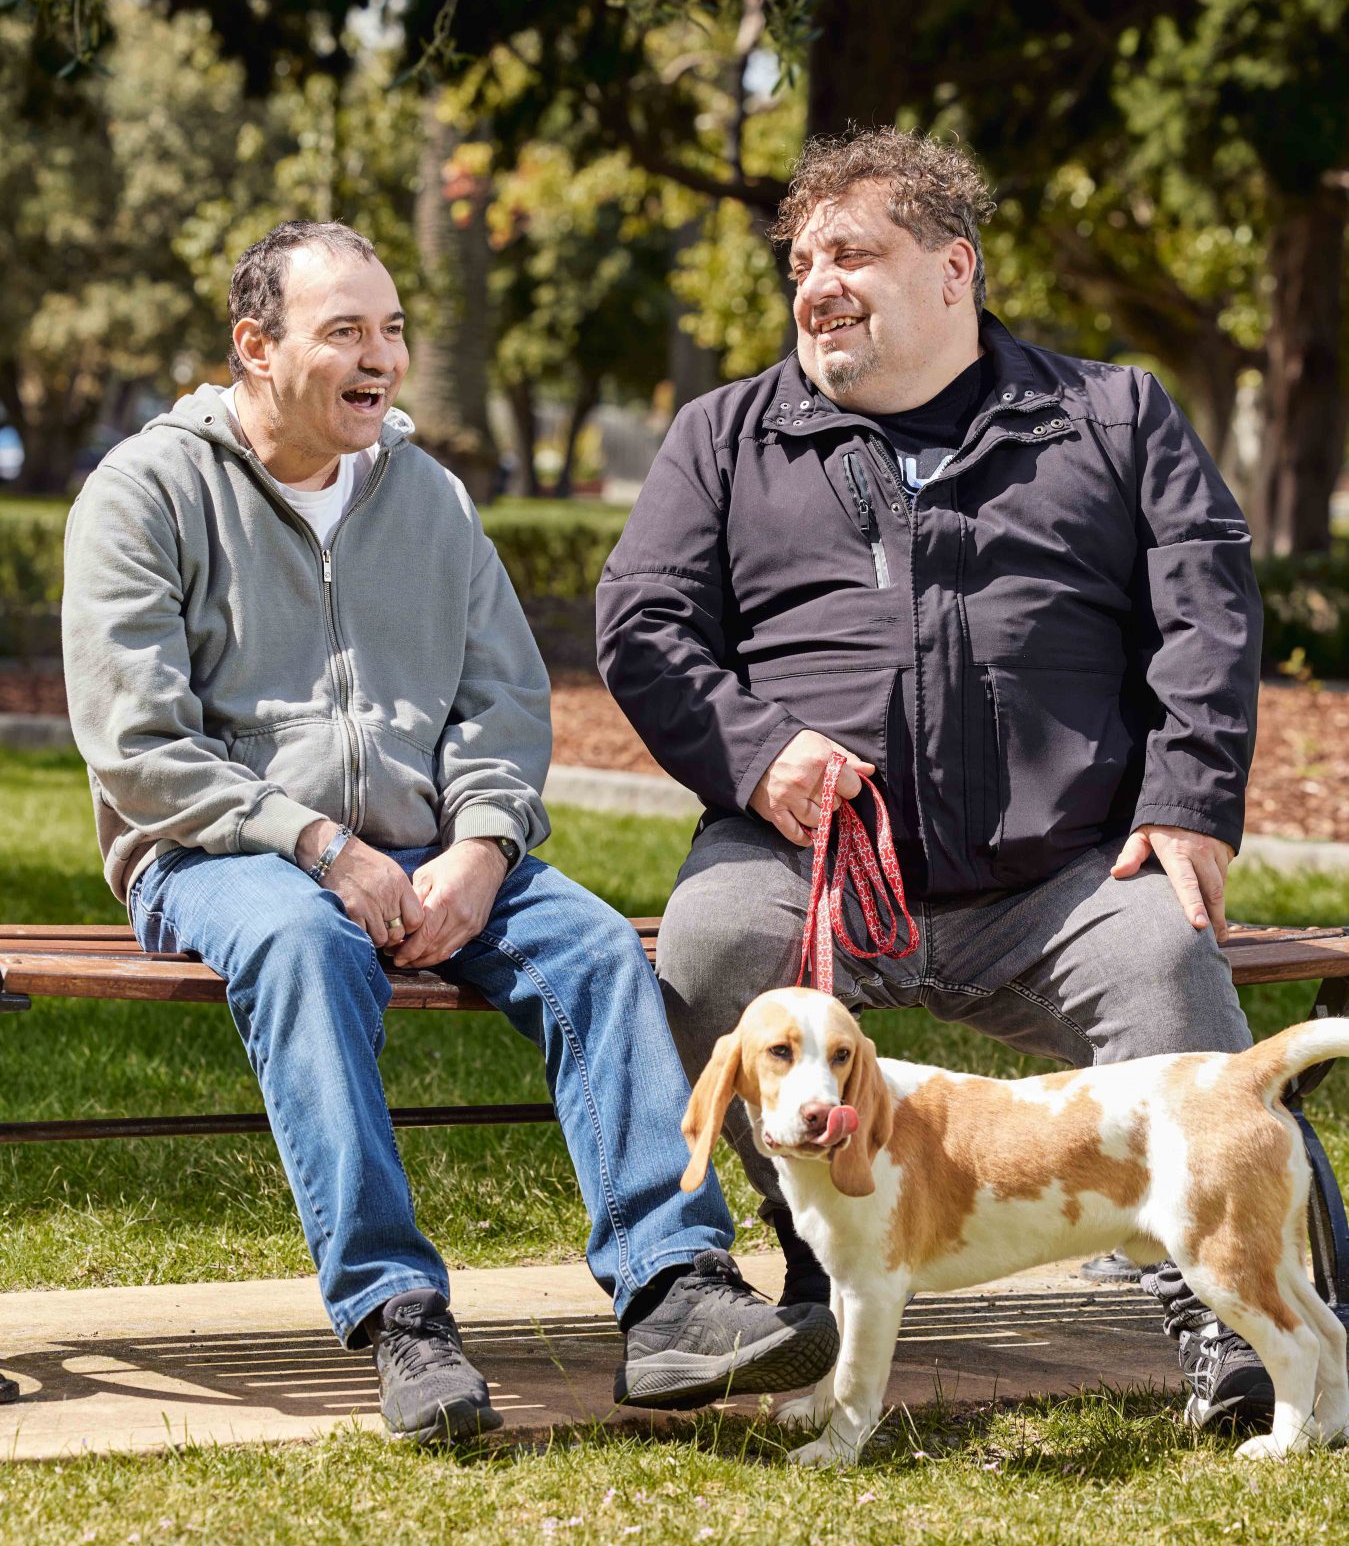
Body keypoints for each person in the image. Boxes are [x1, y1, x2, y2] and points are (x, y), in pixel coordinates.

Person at [61, 219, 837, 1444]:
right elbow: (138, 746)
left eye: (393, 330)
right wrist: (321, 848)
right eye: (345, 332)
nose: (381, 358)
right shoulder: (146, 490)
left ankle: (674, 1289)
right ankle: (399, 1314)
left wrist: (480, 844)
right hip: (218, 851)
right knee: (303, 947)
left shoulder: (426, 494)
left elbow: (502, 697)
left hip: (429, 846)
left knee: (589, 944)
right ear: (255, 347)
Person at [596, 125, 1285, 1432]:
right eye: (800, 262)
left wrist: (1186, 800)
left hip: (1061, 876)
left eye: (853, 252)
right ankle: (796, 1265)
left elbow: (1207, 607)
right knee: (702, 957)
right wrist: (755, 751)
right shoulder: (724, 437)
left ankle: (1228, 1315)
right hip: (804, 871)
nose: (816, 283)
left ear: (954, 268)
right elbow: (642, 623)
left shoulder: (1111, 413)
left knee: (1164, 961)